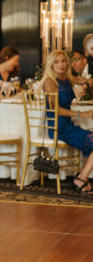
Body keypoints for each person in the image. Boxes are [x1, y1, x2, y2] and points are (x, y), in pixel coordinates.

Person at [42, 50, 93, 194]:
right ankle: (81, 178)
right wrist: (82, 114)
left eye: (63, 61)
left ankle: (81, 177)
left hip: (68, 126)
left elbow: (89, 81)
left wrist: (84, 86)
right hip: (58, 128)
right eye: (56, 62)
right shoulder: (49, 82)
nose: (61, 65)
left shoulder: (67, 79)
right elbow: (55, 110)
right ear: (51, 65)